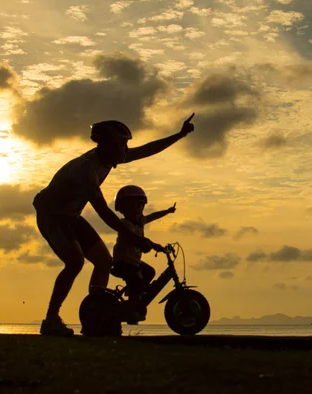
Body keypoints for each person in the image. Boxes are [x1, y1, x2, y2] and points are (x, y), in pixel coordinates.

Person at [33, 113, 195, 337]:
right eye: (122, 143)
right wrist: (135, 238)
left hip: (71, 216)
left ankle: (96, 314)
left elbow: (147, 150)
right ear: (108, 145)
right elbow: (105, 214)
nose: (125, 148)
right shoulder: (86, 169)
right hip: (51, 214)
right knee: (75, 263)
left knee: (103, 261)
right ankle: (51, 319)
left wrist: (179, 135)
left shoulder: (109, 158)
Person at [110, 185, 176, 324]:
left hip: (134, 262)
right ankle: (131, 307)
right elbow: (138, 240)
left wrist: (168, 211)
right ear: (122, 209)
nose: (138, 209)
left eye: (140, 206)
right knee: (138, 282)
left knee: (149, 272)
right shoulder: (125, 224)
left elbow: (153, 216)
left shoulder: (140, 222)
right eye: (134, 206)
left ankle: (135, 297)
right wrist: (153, 245)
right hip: (123, 262)